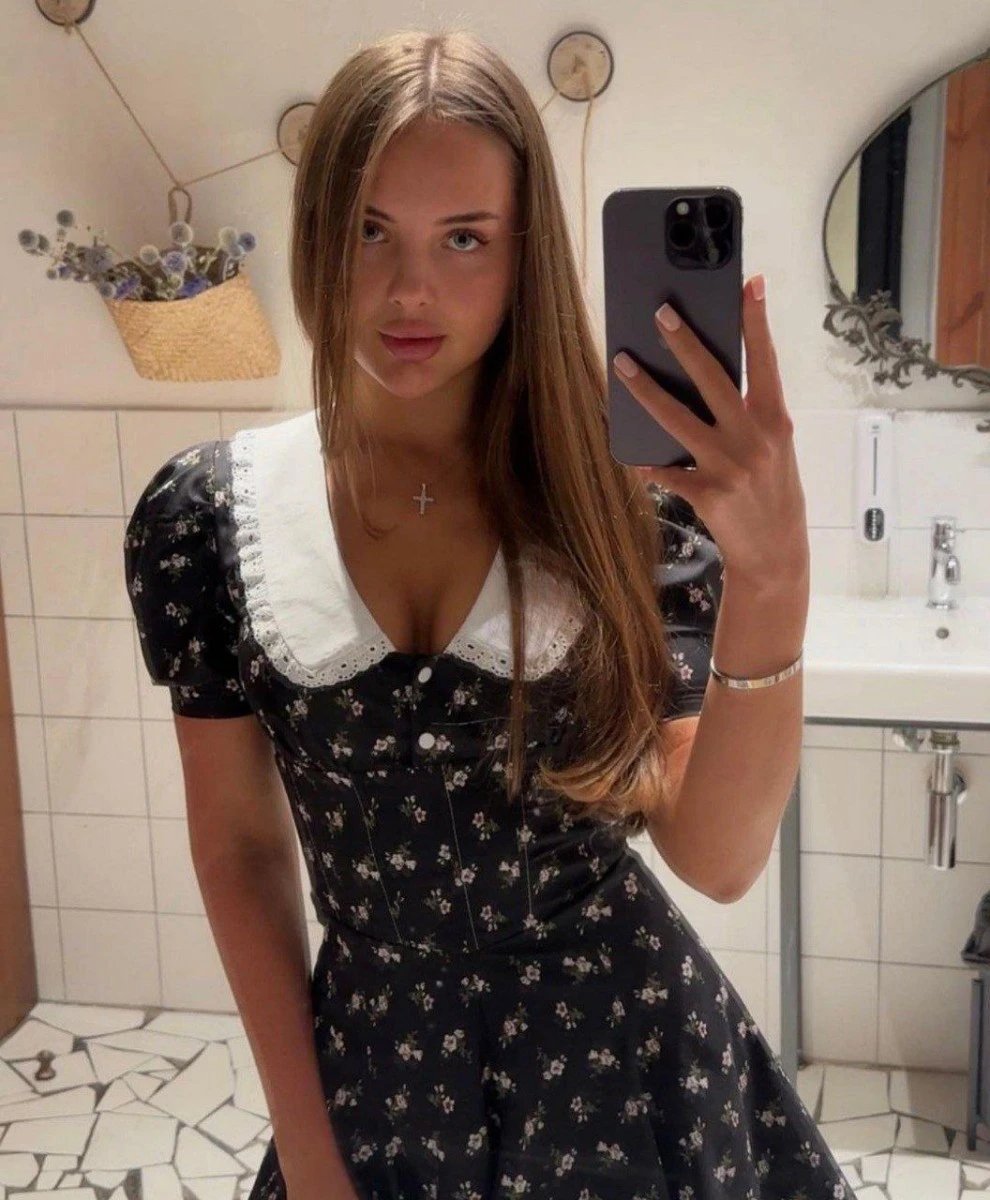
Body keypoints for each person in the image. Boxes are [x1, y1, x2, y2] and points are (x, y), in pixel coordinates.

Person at [123, 28, 848, 1200]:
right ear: (316, 233)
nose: (409, 290)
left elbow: (716, 861)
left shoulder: (627, 509)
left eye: (465, 237)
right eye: (370, 231)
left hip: (630, 1079)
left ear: (525, 256)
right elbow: (241, 850)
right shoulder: (209, 518)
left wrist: (777, 579)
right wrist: (307, 1152)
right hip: (374, 1086)